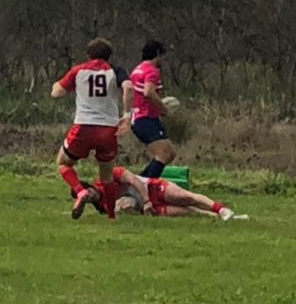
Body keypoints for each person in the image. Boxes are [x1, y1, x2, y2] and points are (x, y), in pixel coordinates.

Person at [51, 38, 129, 219]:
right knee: (107, 176)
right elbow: (129, 87)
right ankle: (111, 215)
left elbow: (57, 92)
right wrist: (127, 114)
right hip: (108, 129)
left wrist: (56, 85)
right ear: (109, 56)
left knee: (63, 163)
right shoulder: (115, 71)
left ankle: (80, 191)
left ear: (88, 55)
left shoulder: (79, 70)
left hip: (84, 126)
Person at [106, 166, 246, 220]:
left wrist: (146, 201)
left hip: (153, 188)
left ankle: (221, 209)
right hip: (148, 208)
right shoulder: (103, 202)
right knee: (188, 212)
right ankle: (223, 218)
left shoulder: (114, 173)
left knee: (185, 197)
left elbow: (134, 181)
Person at [127, 39, 177, 178]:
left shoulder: (137, 69)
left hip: (138, 117)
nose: (163, 60)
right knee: (164, 154)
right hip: (145, 118)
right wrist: (164, 109)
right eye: (162, 56)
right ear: (157, 54)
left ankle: (139, 182)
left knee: (169, 153)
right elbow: (148, 92)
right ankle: (145, 185)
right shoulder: (152, 71)